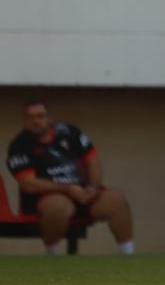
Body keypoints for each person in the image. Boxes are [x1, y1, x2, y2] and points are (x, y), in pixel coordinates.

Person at [6, 101, 135, 255]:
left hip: (82, 193)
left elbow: (93, 160)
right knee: (58, 206)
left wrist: (93, 188)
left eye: (40, 116)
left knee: (116, 199)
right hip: (45, 198)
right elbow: (28, 183)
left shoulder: (69, 132)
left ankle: (128, 254)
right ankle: (52, 254)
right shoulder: (19, 145)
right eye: (30, 117)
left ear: (49, 118)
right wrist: (67, 189)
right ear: (24, 120)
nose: (36, 121)